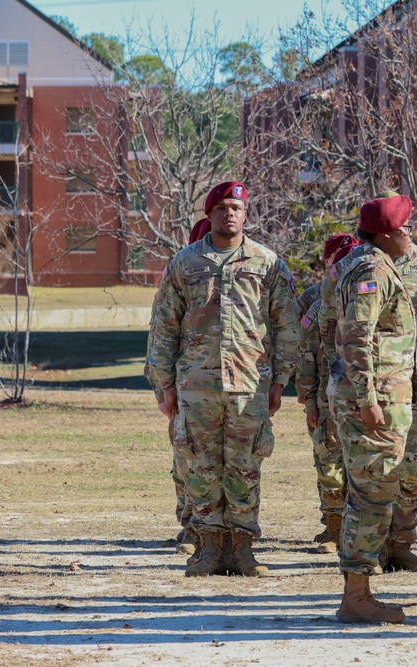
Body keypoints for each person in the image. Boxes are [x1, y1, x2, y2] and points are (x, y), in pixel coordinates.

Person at [147, 181, 300, 578]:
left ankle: (244, 550)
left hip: (250, 385)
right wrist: (163, 385)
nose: (230, 213)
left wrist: (280, 381)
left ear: (246, 214)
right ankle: (208, 549)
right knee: (200, 467)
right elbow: (164, 326)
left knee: (246, 467)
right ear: (209, 214)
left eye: (237, 206)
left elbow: (286, 326)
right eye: (222, 207)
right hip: (196, 385)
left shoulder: (267, 263)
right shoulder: (186, 262)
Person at [333, 194, 416, 624]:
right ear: (385, 232)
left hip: (381, 397)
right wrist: (367, 400)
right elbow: (356, 336)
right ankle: (357, 595)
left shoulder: (366, 264)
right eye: (404, 228)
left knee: (371, 491)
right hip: (375, 401)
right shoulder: (371, 269)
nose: (409, 235)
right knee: (373, 492)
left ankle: (358, 589)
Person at [142, 217, 211, 558]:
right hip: (186, 384)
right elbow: (160, 335)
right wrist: (162, 386)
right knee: (187, 458)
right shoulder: (181, 273)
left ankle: (221, 527)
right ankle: (190, 523)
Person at [375, 190, 417, 574]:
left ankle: (402, 543)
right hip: (379, 382)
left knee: (411, 469)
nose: (407, 230)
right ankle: (374, 546)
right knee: (377, 468)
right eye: (400, 224)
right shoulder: (363, 266)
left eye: (409, 224)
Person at [296, 234, 356, 554]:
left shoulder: (365, 298)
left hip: (362, 395)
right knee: (329, 463)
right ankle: (334, 528)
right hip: (326, 395)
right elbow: (306, 351)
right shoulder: (316, 303)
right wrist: (308, 398)